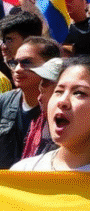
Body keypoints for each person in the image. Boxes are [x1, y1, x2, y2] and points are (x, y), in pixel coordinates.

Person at [0, 36, 60, 168]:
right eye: (14, 63)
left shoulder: (61, 109)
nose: (17, 69)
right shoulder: (3, 102)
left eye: (26, 63)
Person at [21, 56, 63, 159]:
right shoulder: (38, 121)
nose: (39, 98)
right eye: (42, 80)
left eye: (47, 81)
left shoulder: (69, 125)